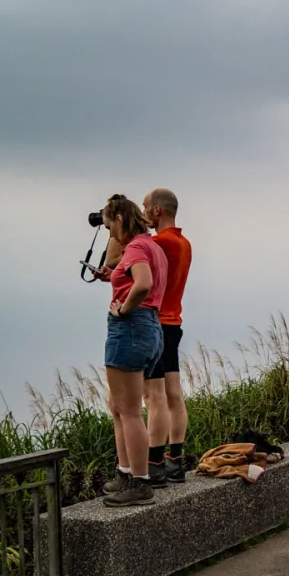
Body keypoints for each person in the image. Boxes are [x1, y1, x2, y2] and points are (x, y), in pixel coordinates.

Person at [98, 195, 168, 506]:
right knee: (118, 405)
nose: (110, 233)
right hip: (150, 327)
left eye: (110, 226)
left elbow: (143, 283)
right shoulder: (153, 247)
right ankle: (125, 472)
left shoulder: (137, 247)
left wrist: (124, 310)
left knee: (128, 411)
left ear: (121, 219)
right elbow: (139, 281)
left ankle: (140, 482)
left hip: (131, 327)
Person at [140, 189, 192, 486]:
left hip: (154, 324)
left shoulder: (158, 243)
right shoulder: (184, 243)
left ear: (157, 210)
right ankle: (176, 460)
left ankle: (154, 464)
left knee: (153, 397)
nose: (144, 210)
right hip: (174, 324)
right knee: (174, 393)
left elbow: (127, 263)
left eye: (146, 206)